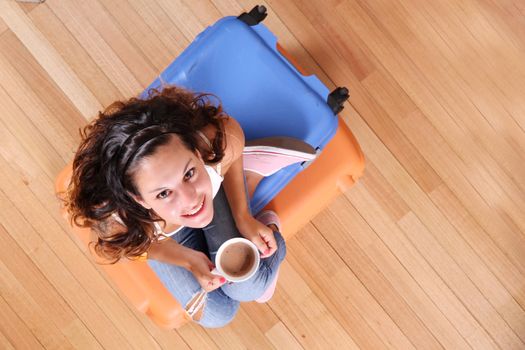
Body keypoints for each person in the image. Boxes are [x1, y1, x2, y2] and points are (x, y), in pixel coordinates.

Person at [65, 85, 316, 328]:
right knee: (217, 316)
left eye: (188, 174)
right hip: (163, 235)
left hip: (213, 188)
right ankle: (245, 179)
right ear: (139, 199)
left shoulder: (220, 140)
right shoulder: (117, 222)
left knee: (250, 285)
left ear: (197, 153)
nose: (190, 200)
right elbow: (137, 249)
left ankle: (251, 184)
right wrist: (186, 259)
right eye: (164, 193)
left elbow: (230, 153)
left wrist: (242, 216)